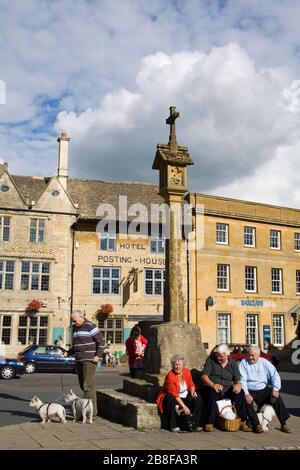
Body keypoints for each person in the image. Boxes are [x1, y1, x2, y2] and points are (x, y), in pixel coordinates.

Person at [239, 345, 291, 433]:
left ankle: (283, 424)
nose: (250, 357)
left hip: (263, 389)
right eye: (249, 355)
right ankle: (257, 425)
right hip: (250, 389)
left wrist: (276, 389)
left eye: (253, 355)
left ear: (258, 355)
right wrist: (246, 394)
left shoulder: (265, 363)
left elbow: (275, 375)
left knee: (276, 397)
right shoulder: (244, 362)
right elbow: (242, 379)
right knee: (245, 400)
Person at [64, 310, 105, 418]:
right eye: (73, 321)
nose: (74, 323)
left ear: (82, 317)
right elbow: (76, 346)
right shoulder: (75, 328)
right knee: (85, 386)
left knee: (87, 386)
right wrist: (68, 353)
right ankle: (93, 410)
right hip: (79, 360)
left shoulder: (90, 326)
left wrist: (98, 356)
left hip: (89, 360)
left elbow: (101, 342)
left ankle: (88, 413)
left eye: (75, 320)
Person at [201, 344, 251, 432]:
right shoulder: (211, 360)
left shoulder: (233, 364)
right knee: (212, 394)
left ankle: (242, 421)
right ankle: (210, 422)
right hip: (214, 388)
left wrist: (238, 386)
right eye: (217, 355)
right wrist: (213, 385)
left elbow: (237, 381)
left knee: (241, 393)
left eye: (221, 356)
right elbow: (204, 376)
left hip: (227, 389)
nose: (218, 358)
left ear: (227, 355)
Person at [156, 354, 203, 432]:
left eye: (179, 365)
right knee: (170, 399)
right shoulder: (170, 376)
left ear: (183, 365)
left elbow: (191, 384)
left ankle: (196, 423)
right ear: (172, 365)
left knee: (198, 399)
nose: (177, 367)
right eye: (175, 365)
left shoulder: (186, 371)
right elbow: (174, 394)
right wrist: (184, 406)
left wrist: (192, 391)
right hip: (173, 397)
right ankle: (173, 425)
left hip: (185, 395)